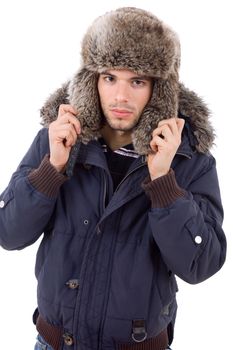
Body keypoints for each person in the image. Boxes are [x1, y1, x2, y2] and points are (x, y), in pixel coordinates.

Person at [0, 6, 226, 350]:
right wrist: (52, 170)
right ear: (92, 80)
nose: (120, 96)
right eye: (109, 78)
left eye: (137, 81)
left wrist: (164, 181)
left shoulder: (190, 160)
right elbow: (8, 233)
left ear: (159, 89)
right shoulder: (58, 140)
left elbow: (201, 264)